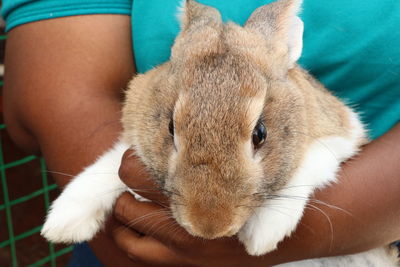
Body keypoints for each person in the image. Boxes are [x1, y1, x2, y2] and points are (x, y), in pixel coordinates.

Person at [2, 0, 399, 266]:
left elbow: (340, 137)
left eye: (258, 136)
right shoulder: (158, 94)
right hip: (134, 247)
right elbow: (48, 101)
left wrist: (306, 222)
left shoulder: (294, 101)